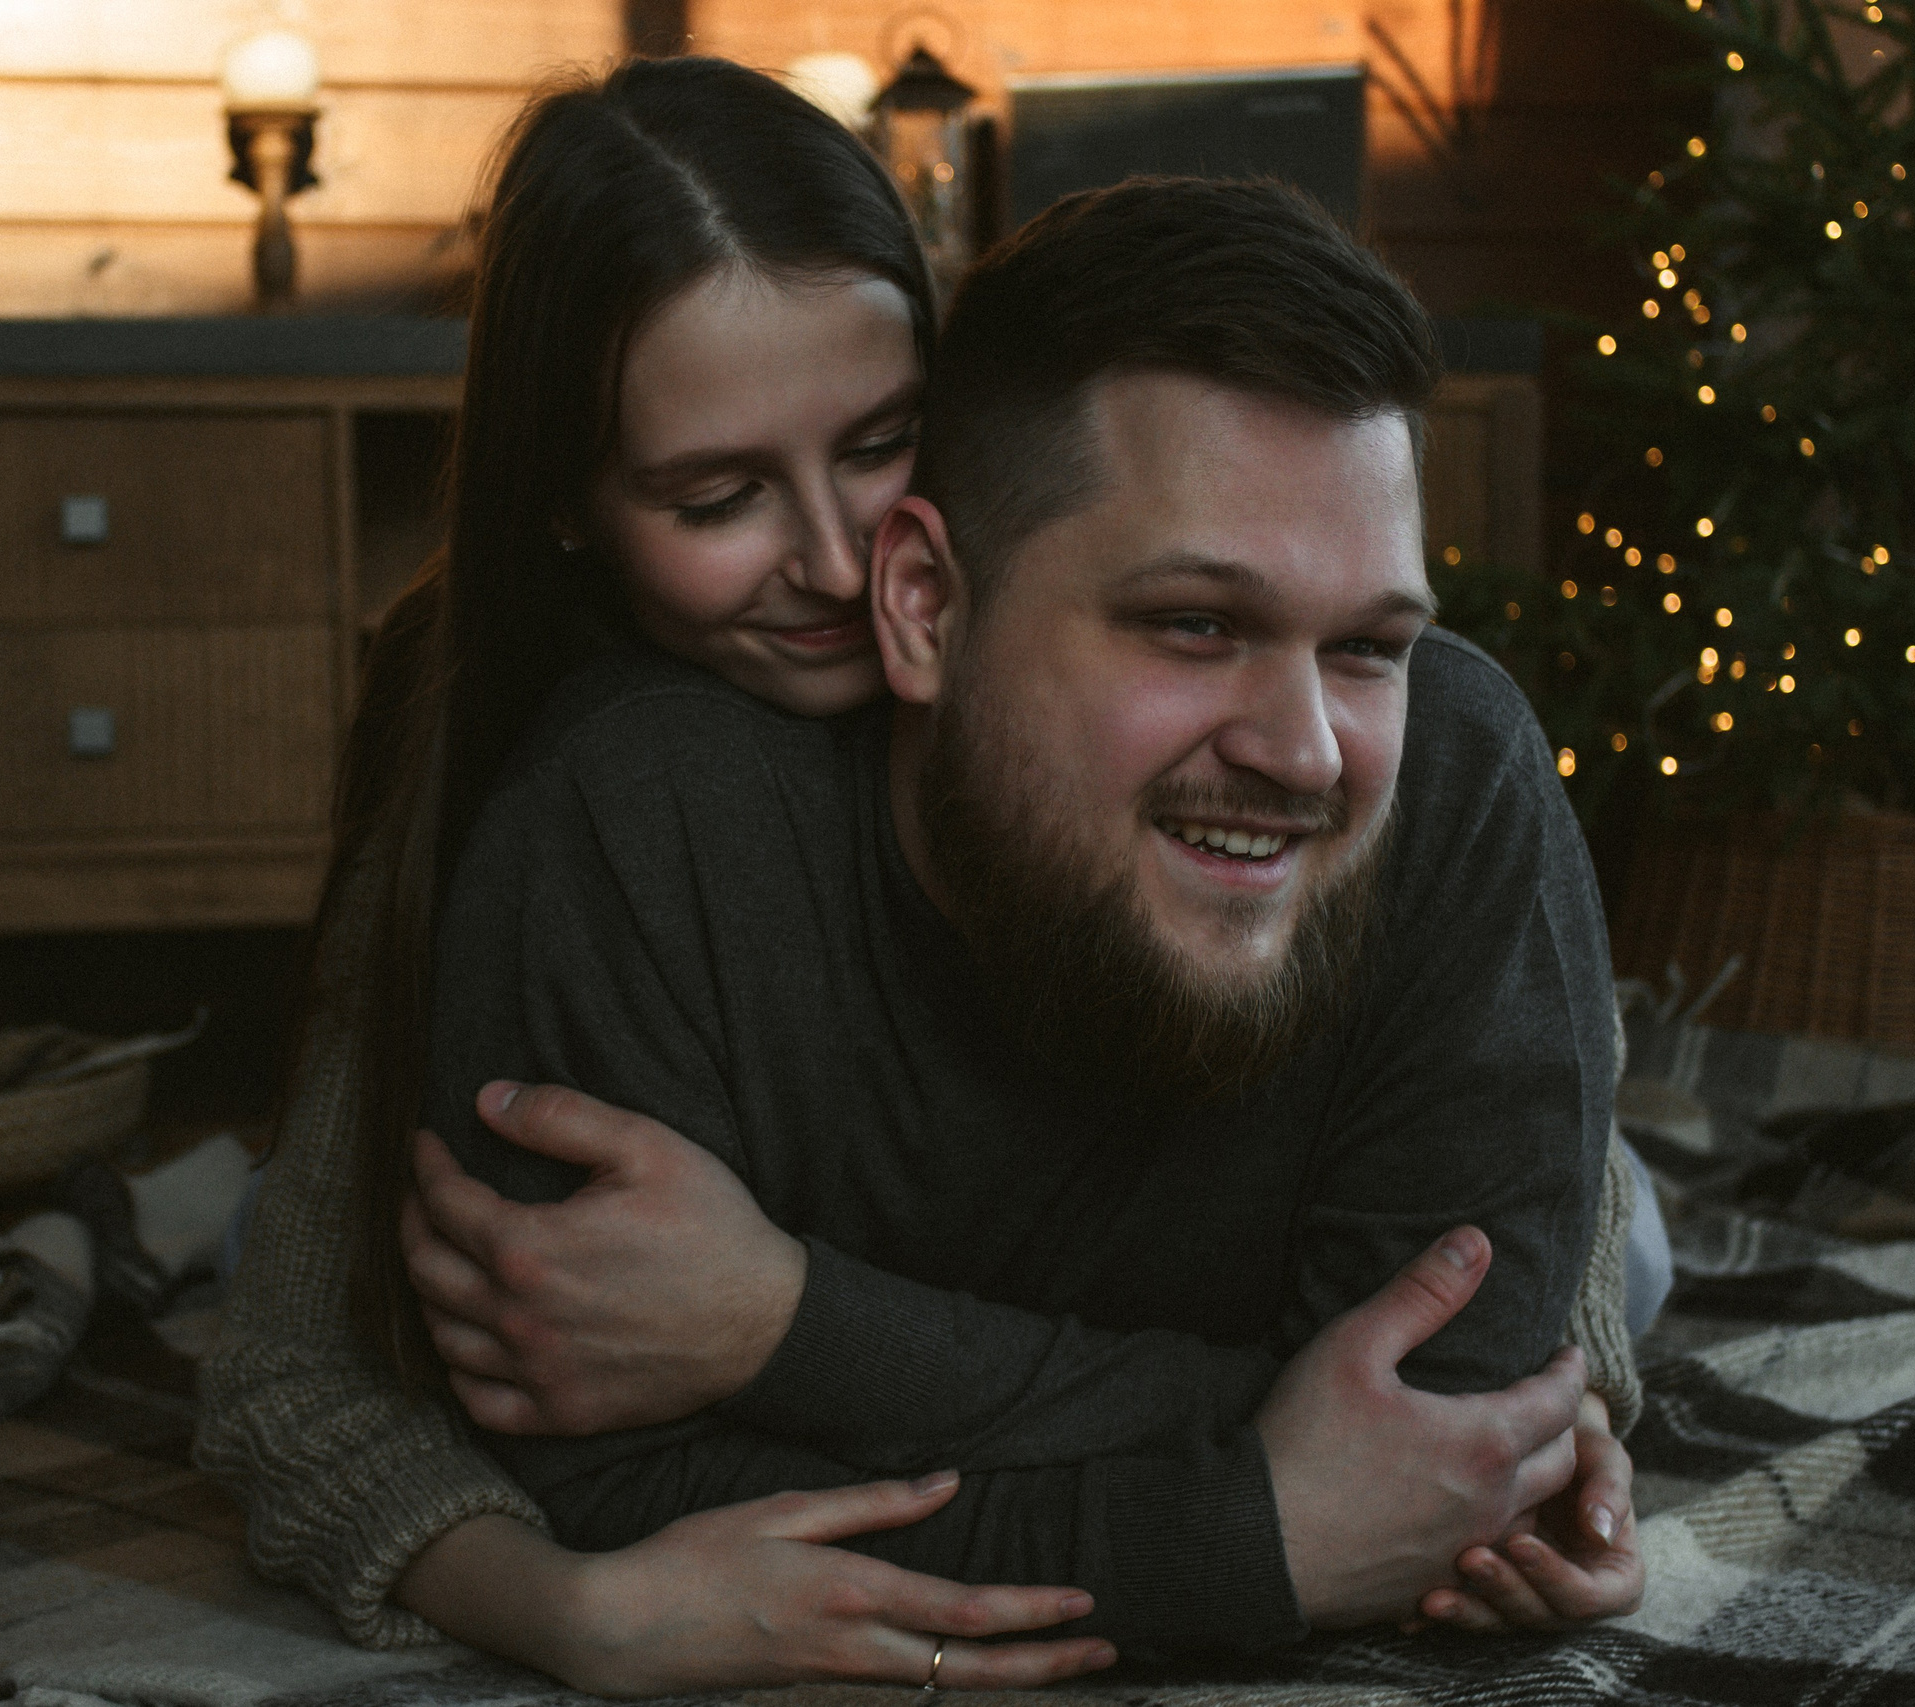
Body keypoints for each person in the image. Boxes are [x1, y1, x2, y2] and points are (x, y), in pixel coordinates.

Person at [197, 59, 1644, 1695]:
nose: (832, 561)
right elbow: (335, 1390)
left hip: (1262, 1128)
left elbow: (1456, 1434)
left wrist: (783, 1324)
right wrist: (570, 1606)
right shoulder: (549, 793)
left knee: (1614, 1220)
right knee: (279, 1243)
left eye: (884, 444)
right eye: (718, 496)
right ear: (571, 514)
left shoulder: (1416, 751)